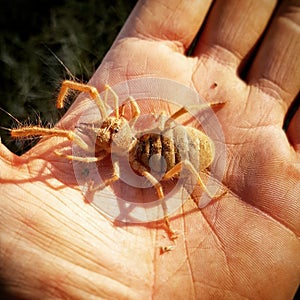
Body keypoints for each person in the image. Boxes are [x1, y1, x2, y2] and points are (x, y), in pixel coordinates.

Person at [0, 0, 299, 298]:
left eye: (112, 125)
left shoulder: (121, 155)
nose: (109, 126)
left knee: (168, 136)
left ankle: (206, 114)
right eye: (111, 127)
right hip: (159, 148)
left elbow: (132, 178)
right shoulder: (118, 136)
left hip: (181, 150)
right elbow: (95, 99)